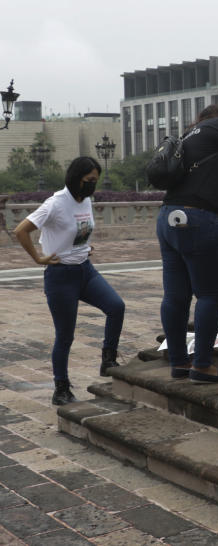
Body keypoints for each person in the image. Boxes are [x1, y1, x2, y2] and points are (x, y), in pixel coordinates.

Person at [13, 157, 125, 405]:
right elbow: (21, 230)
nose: (92, 186)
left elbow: (78, 231)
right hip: (61, 277)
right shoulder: (55, 204)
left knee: (116, 307)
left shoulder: (86, 200)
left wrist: (83, 246)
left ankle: (108, 360)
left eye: (95, 181)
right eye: (88, 181)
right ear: (75, 179)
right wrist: (38, 258)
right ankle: (61, 388)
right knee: (65, 336)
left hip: (85, 270)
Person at [157, 104, 218, 384]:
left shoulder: (188, 137)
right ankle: (202, 365)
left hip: (167, 217)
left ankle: (179, 362)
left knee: (175, 296)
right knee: (210, 295)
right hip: (201, 220)